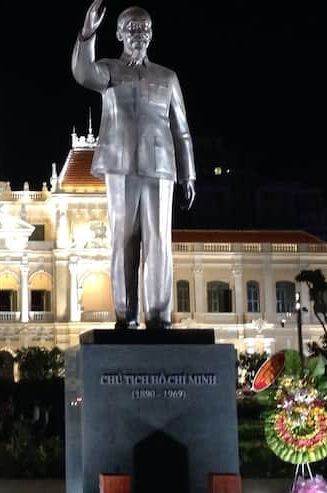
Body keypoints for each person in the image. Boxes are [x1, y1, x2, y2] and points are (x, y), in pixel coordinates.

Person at [72, 0, 197, 329]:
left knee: (159, 241)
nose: (138, 35)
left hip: (161, 167)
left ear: (151, 34)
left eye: (143, 29)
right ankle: (125, 315)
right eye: (131, 29)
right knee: (124, 240)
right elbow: (83, 73)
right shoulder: (110, 71)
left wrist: (189, 175)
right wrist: (87, 35)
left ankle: (159, 315)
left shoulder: (166, 77)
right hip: (120, 164)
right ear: (119, 34)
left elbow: (181, 129)